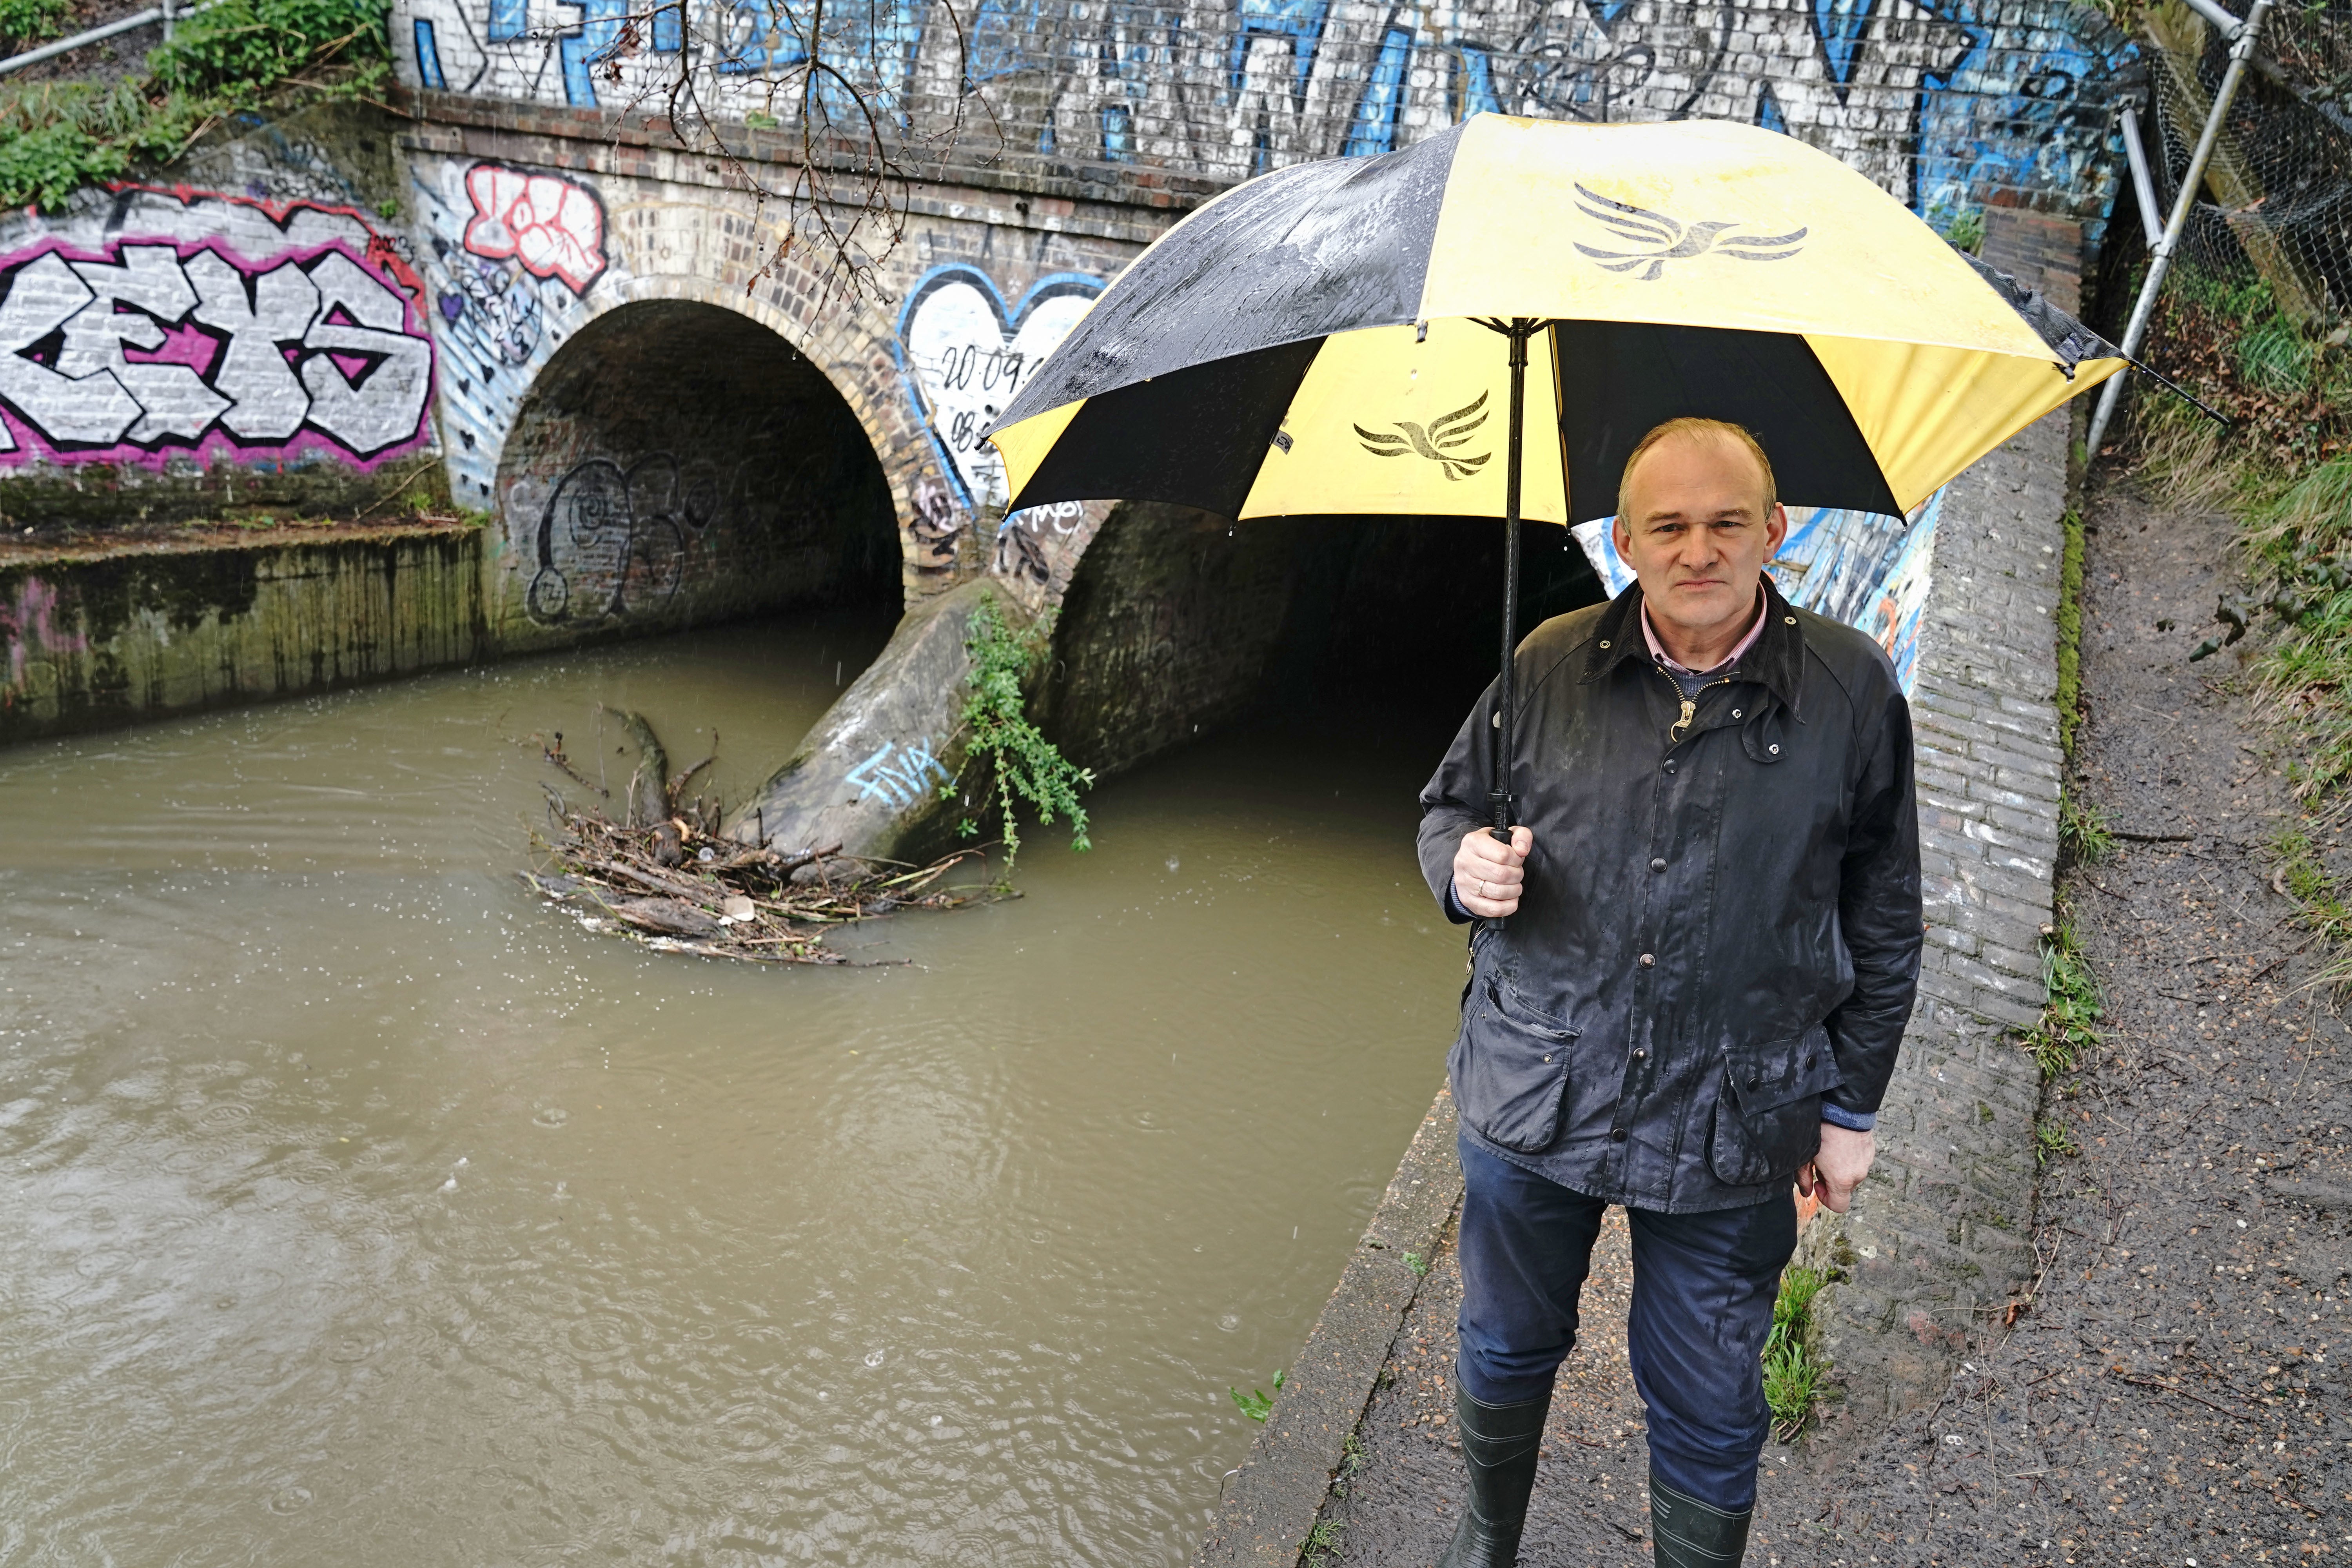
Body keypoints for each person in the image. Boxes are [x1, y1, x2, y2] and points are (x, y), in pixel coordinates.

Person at [1417, 417, 1922, 1568]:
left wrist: (1852, 1113)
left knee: (1709, 1398)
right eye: (1671, 526)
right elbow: (1444, 809)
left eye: (1726, 522)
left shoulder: (1852, 691)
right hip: (1537, 1086)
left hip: (1734, 1117)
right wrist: (1462, 868)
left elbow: (1884, 918)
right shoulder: (1543, 661)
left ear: (1774, 532)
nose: (1699, 549)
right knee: (1503, 1346)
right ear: (1628, 541)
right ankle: (1483, 1540)